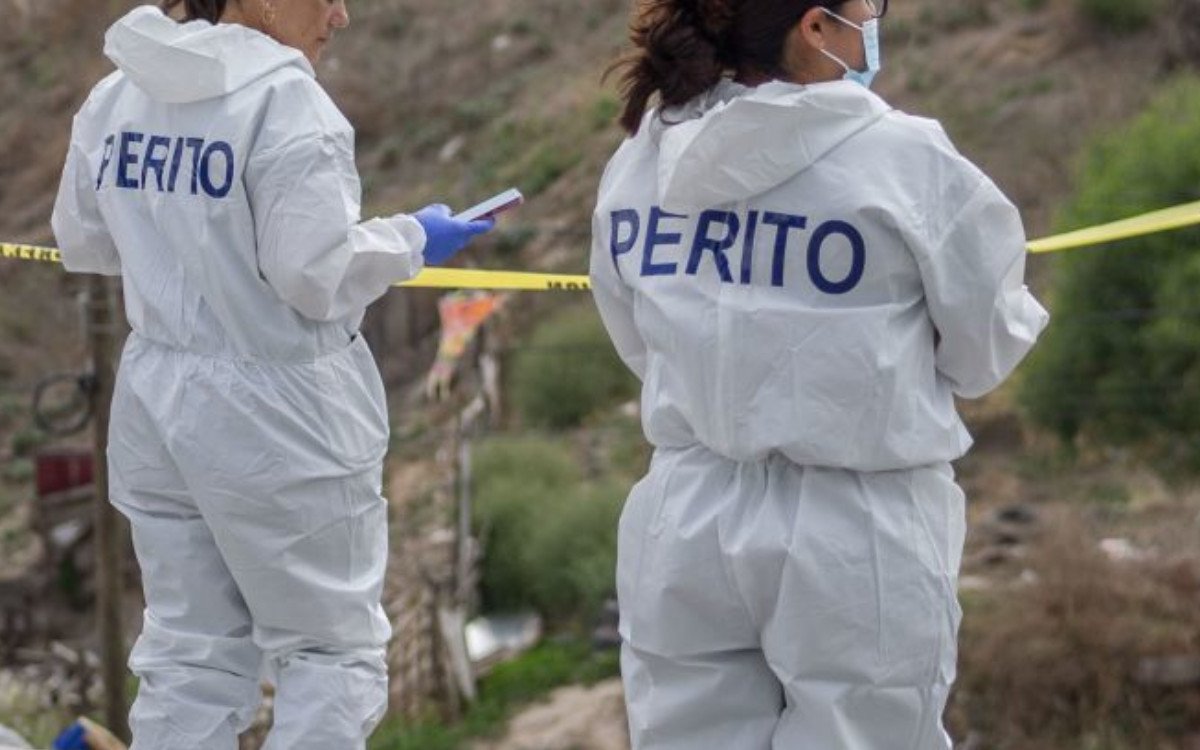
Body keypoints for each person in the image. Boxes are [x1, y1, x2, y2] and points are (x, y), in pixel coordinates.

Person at [590, 0, 1049, 747]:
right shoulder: (907, 161)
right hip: (856, 527)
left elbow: (635, 338)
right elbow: (983, 353)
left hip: (686, 514)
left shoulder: (641, 160)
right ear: (814, 27)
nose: (875, 20)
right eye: (869, 6)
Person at [50, 1, 493, 747]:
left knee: (189, 654)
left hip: (157, 399)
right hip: (280, 411)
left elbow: (82, 241)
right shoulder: (286, 103)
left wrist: (180, 249)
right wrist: (413, 237)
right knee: (329, 654)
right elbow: (313, 276)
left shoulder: (119, 95)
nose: (340, 16)